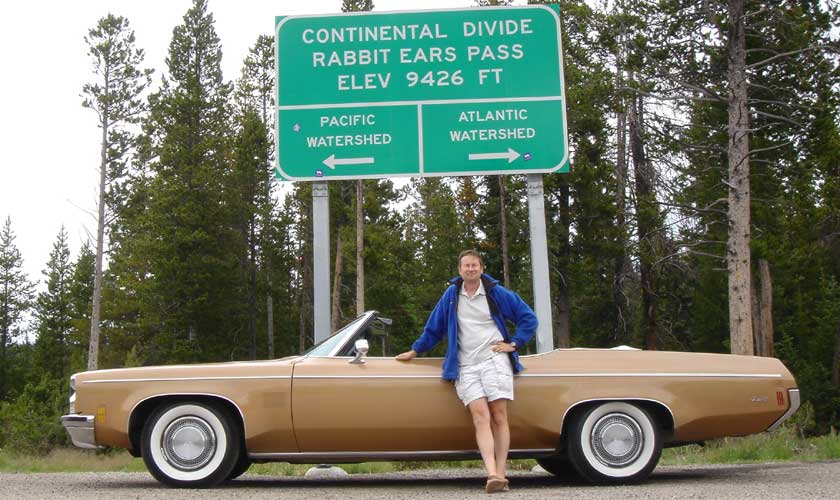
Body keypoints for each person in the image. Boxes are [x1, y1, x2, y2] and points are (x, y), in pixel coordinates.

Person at [395, 250, 537, 494]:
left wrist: (513, 343)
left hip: (494, 360)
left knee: (499, 415)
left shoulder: (495, 293)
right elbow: (435, 328)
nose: (470, 269)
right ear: (459, 270)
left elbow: (528, 318)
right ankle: (491, 474)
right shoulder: (452, 295)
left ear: (481, 268)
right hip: (466, 365)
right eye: (466, 266)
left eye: (474, 266)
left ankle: (502, 473)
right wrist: (415, 351)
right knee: (480, 416)